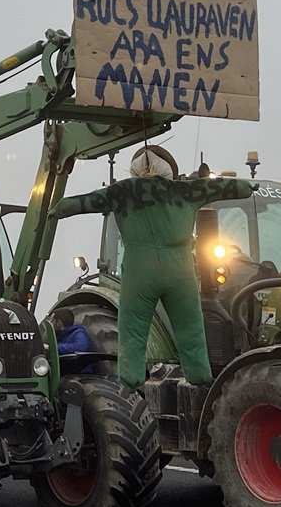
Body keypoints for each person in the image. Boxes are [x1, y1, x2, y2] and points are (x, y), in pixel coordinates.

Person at [53, 144, 253, 387]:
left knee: (133, 328)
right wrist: (246, 187)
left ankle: (131, 376)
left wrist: (60, 208)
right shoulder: (185, 190)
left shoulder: (123, 191)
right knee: (190, 326)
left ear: (135, 169)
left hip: (140, 270)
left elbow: (88, 201)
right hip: (179, 270)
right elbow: (221, 187)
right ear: (169, 168)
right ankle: (199, 373)